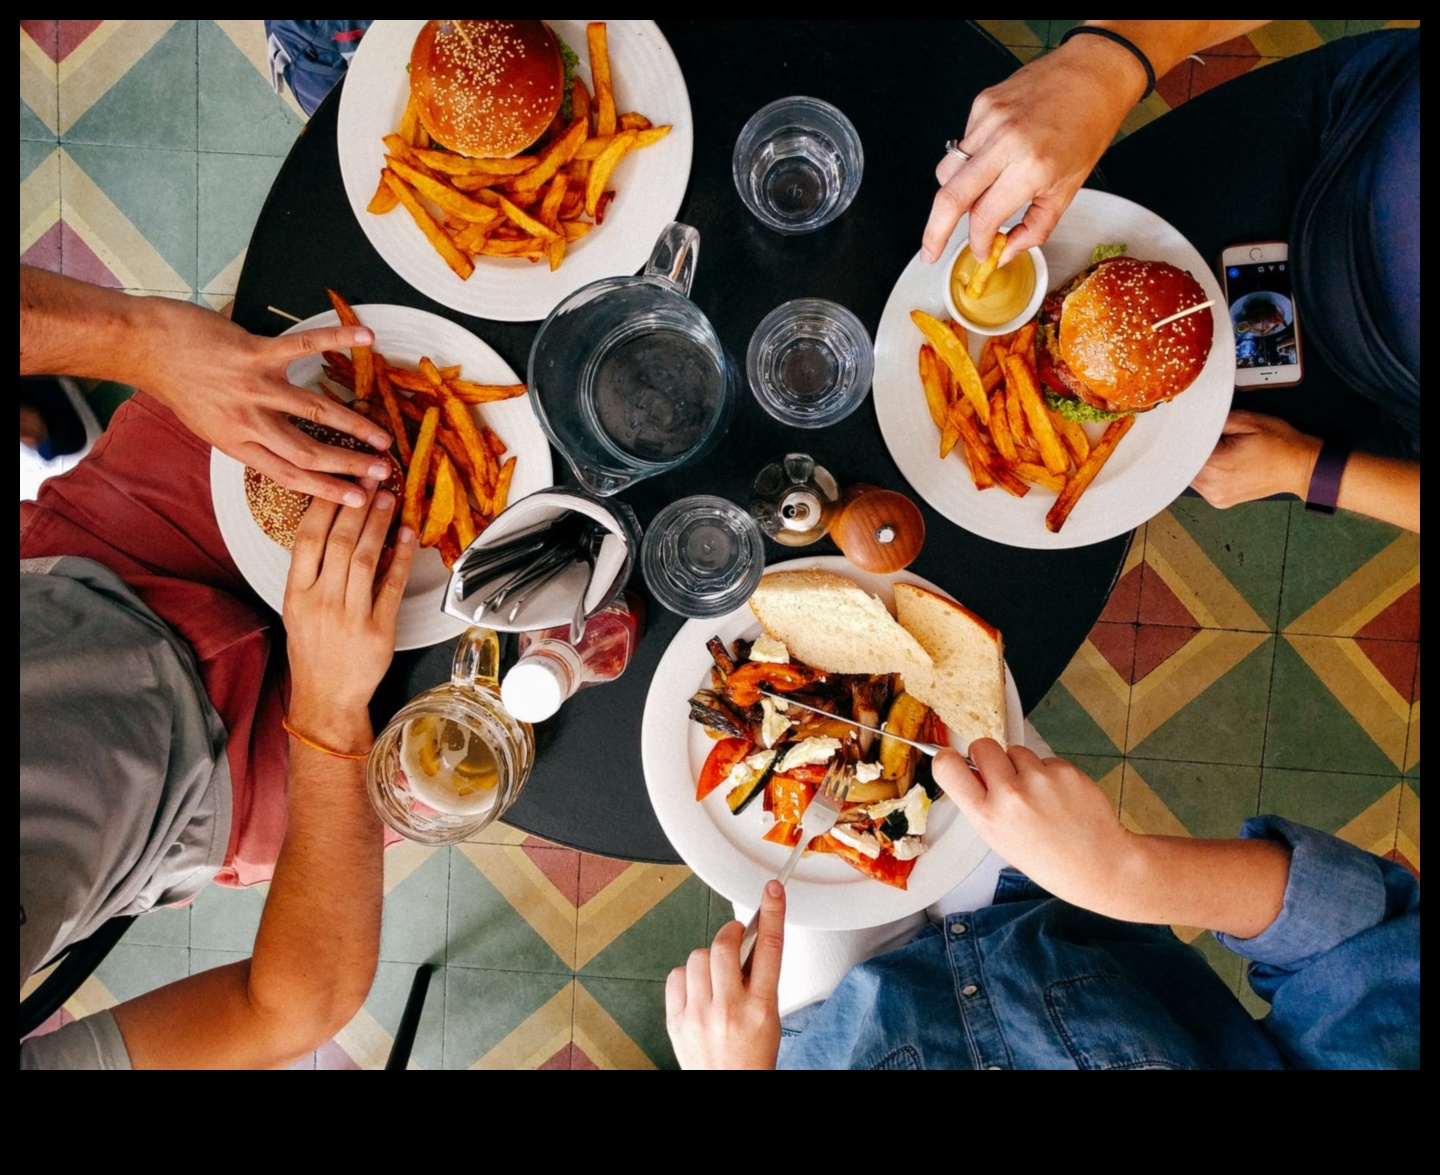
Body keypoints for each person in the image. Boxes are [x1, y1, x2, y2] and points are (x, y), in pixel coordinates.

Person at [20, 267, 411, 1067]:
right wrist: (331, 716)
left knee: (349, 298)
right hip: (225, 796)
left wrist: (140, 342)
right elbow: (283, 1008)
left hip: (88, 563)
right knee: (546, 663)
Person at [919, 22, 1419, 533]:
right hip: (1344, 116)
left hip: (1365, 390)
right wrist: (1104, 65)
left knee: (1184, 460)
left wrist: (1308, 470)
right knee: (1106, 183)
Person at [665, 741, 1420, 1070]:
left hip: (825, 1014)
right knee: (939, 697)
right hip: (1054, 903)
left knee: (757, 804)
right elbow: (1366, 942)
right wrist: (1128, 870)